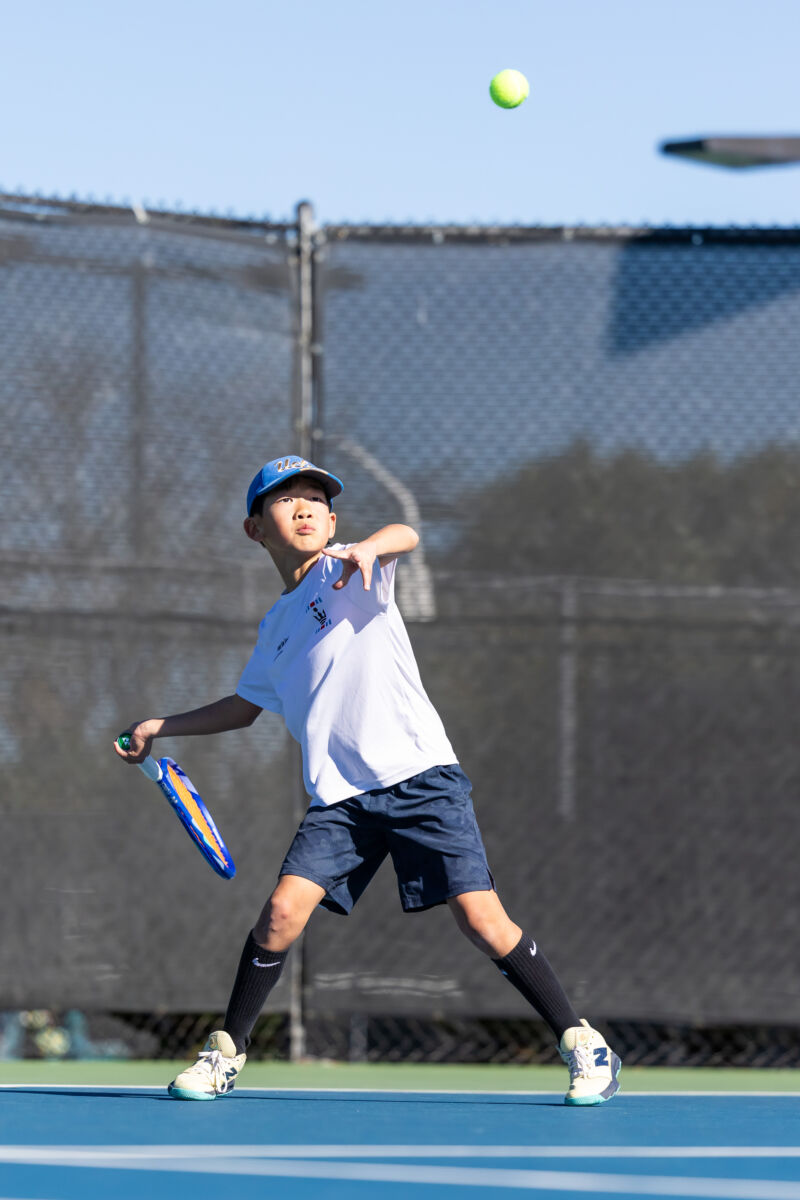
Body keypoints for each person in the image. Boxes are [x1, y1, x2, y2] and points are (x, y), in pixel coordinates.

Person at [115, 454, 621, 1106]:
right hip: (341, 801)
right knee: (280, 914)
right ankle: (225, 1053)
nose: (304, 507)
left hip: (421, 778)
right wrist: (160, 725)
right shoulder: (275, 627)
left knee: (481, 919)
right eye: (285, 499)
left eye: (316, 499)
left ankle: (582, 1041)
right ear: (255, 529)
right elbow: (244, 708)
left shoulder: (351, 570)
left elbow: (405, 535)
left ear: (332, 522)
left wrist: (372, 548)